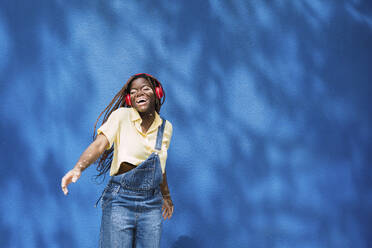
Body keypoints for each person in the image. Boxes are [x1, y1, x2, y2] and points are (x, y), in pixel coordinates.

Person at [61, 73, 174, 248]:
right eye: (134, 91)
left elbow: (160, 165)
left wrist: (166, 196)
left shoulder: (166, 128)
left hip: (152, 204)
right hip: (121, 200)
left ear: (156, 93)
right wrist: (78, 168)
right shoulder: (121, 116)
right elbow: (99, 145)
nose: (139, 93)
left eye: (145, 88)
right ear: (129, 99)